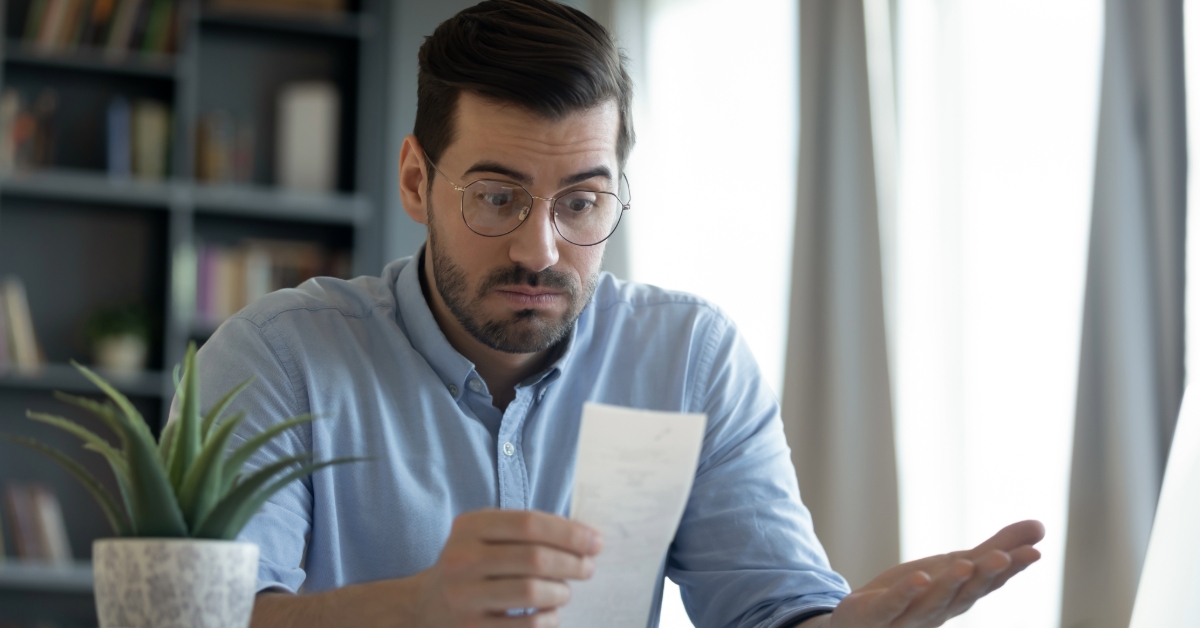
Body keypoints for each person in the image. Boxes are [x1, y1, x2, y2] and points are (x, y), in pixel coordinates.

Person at [188, 1, 1045, 626]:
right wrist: (414, 610)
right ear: (418, 181)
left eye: (582, 203)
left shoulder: (690, 360)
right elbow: (200, 615)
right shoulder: (276, 359)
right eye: (497, 197)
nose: (540, 250)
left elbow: (769, 607)